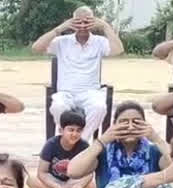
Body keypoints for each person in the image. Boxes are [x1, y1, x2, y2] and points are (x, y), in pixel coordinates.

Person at [31, 5, 124, 142]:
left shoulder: (99, 42)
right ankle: (68, 139)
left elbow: (118, 50)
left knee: (99, 107)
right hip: (66, 93)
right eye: (78, 22)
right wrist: (60, 28)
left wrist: (105, 26)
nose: (82, 25)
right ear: (72, 22)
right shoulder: (62, 42)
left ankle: (81, 143)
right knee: (58, 106)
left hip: (90, 92)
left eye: (86, 22)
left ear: (93, 23)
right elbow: (36, 48)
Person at [26, 110, 93, 188]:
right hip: (53, 180)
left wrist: (79, 185)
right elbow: (42, 172)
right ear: (61, 130)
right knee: (31, 180)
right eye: (71, 130)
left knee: (93, 186)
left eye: (78, 131)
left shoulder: (84, 146)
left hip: (73, 181)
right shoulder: (50, 144)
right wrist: (55, 186)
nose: (74, 134)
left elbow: (89, 173)